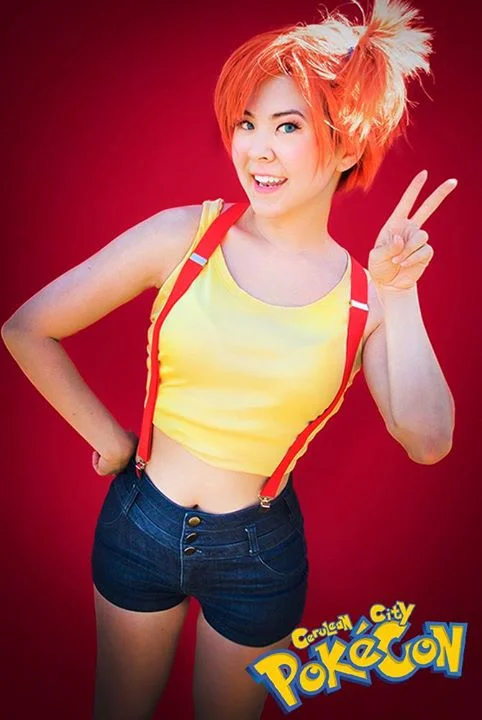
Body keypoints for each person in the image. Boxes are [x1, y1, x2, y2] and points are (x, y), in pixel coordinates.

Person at [1, 0, 456, 718]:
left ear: (347, 146)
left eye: (287, 127)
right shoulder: (183, 237)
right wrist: (111, 442)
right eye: (247, 123)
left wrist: (400, 294)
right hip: (140, 521)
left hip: (259, 554)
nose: (257, 150)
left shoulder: (367, 300)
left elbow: (428, 439)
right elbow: (27, 328)